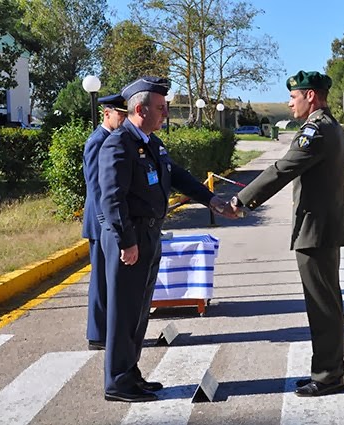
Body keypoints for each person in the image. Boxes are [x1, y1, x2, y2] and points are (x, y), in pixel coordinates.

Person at [98, 76, 236, 403]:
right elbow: (111, 199)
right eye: (161, 108)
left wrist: (210, 200)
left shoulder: (151, 142)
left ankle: (131, 374)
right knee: (124, 312)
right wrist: (126, 241)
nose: (166, 113)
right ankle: (117, 382)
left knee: (140, 310)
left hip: (149, 235)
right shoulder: (119, 144)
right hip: (129, 238)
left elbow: (178, 176)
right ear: (141, 109)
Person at [229, 70, 344, 397]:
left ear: (310, 96)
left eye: (293, 97)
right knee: (327, 302)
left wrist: (242, 200)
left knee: (322, 305)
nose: (289, 102)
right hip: (324, 227)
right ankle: (332, 369)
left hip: (315, 229)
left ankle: (328, 375)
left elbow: (282, 169)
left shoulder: (315, 132)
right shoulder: (333, 128)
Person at [82, 94, 128, 351]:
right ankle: (97, 335)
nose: (122, 119)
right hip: (101, 223)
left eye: (124, 114)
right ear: (106, 114)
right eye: (118, 114)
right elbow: (96, 186)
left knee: (110, 279)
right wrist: (105, 221)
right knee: (100, 280)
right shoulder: (97, 141)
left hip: (108, 221)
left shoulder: (113, 140)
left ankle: (107, 331)